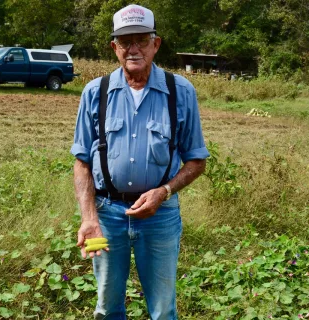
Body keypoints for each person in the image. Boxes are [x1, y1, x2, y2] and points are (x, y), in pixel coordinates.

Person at [70, 4, 209, 320]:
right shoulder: (96, 92)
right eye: (125, 41)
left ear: (155, 44)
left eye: (141, 40)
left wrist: (164, 192)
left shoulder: (180, 91)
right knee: (107, 308)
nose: (133, 49)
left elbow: (196, 160)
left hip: (161, 218)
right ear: (114, 47)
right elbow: (82, 162)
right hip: (107, 216)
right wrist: (89, 218)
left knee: (162, 310)